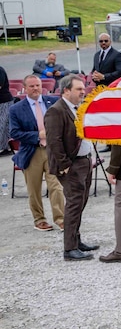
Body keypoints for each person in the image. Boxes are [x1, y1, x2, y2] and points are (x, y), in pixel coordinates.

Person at [44, 74, 99, 261]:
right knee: (74, 205)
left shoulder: (77, 108)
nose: (83, 92)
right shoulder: (56, 110)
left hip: (84, 162)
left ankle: (76, 240)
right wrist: (65, 165)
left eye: (83, 89)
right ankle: (69, 249)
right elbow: (53, 141)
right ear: (66, 90)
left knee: (80, 203)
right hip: (72, 165)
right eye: (79, 89)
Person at [9, 75, 66, 231]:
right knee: (34, 189)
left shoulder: (53, 102)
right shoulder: (16, 109)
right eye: (32, 86)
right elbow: (14, 132)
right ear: (25, 88)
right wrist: (37, 136)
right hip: (31, 152)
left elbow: (64, 122)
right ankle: (39, 220)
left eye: (38, 85)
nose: (35, 88)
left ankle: (60, 219)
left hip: (52, 151)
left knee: (56, 186)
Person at [0, 63, 12, 155]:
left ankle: (5, 147)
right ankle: (5, 147)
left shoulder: (0, 70)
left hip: (4, 101)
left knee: (3, 123)